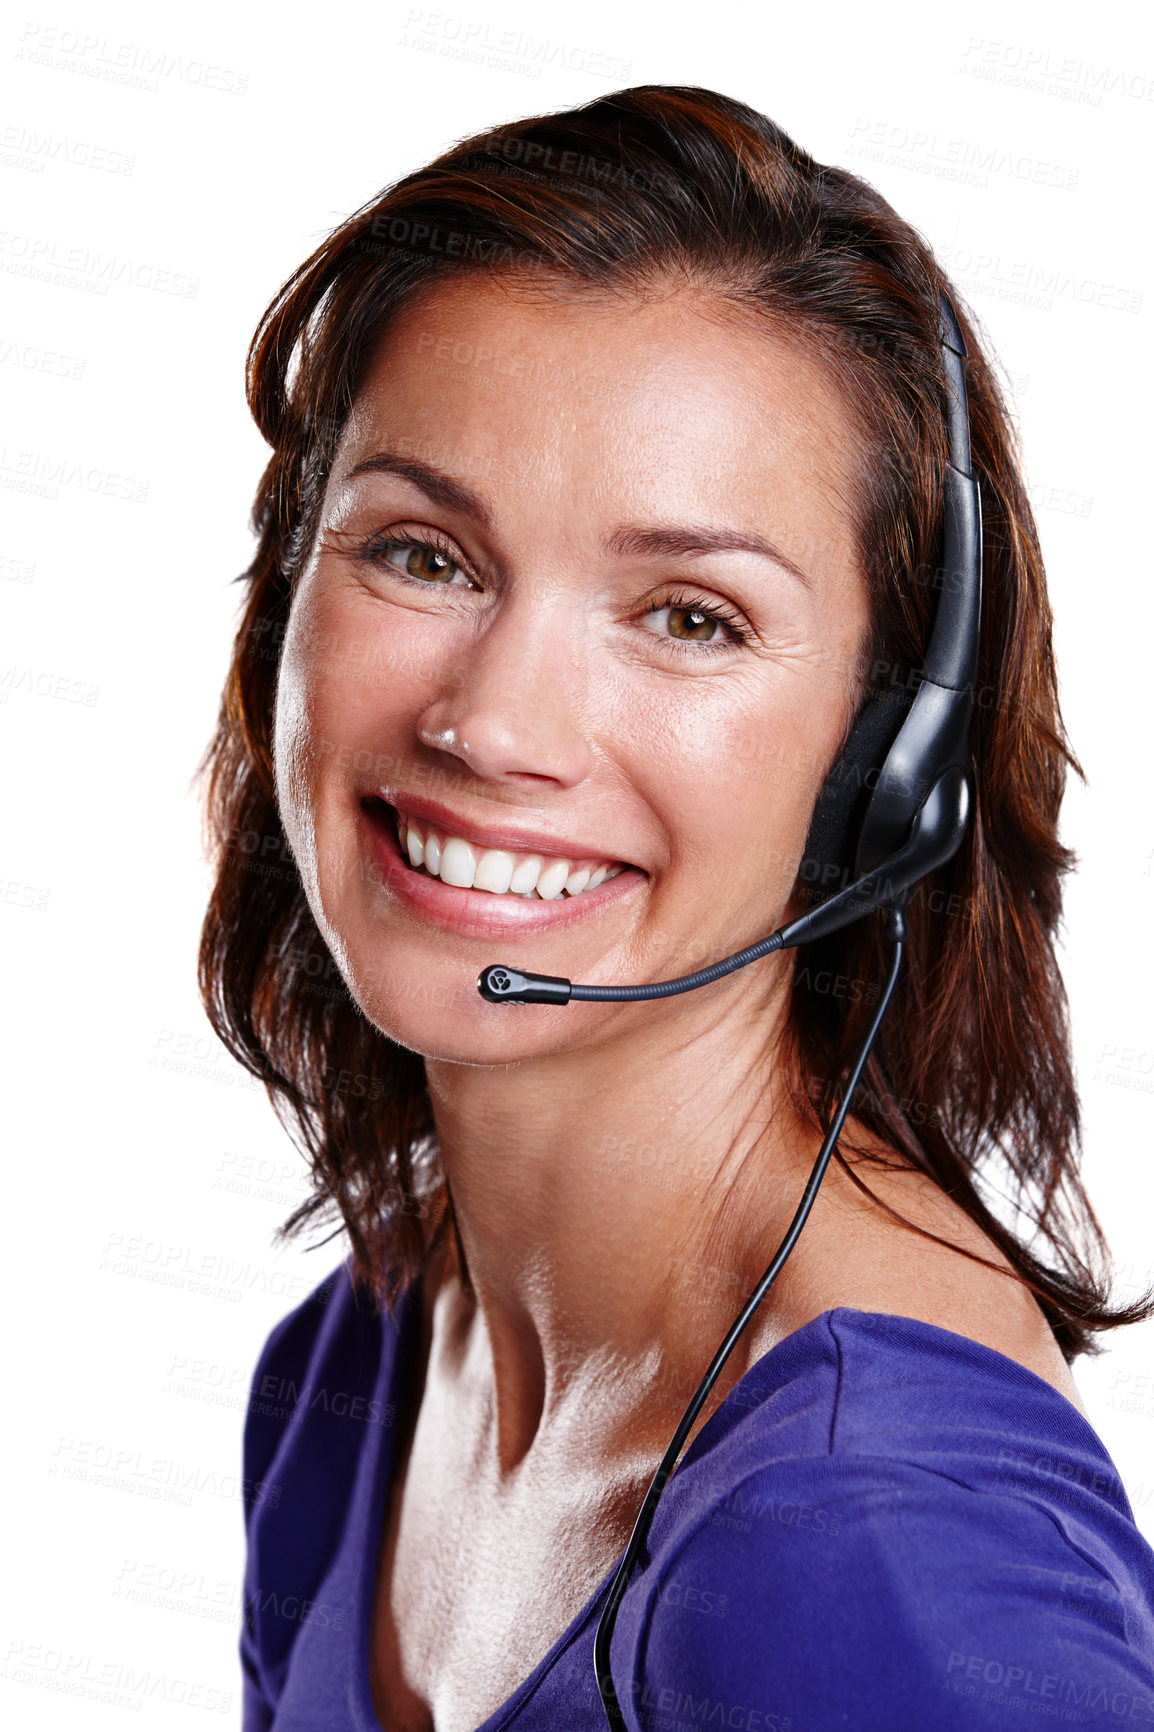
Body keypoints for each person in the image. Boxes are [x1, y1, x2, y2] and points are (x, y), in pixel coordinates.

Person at [197, 85, 1154, 1732]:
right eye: (423, 555)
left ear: (879, 759)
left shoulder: (870, 1544)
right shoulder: (354, 1369)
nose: (491, 723)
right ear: (291, 590)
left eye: (689, 617)